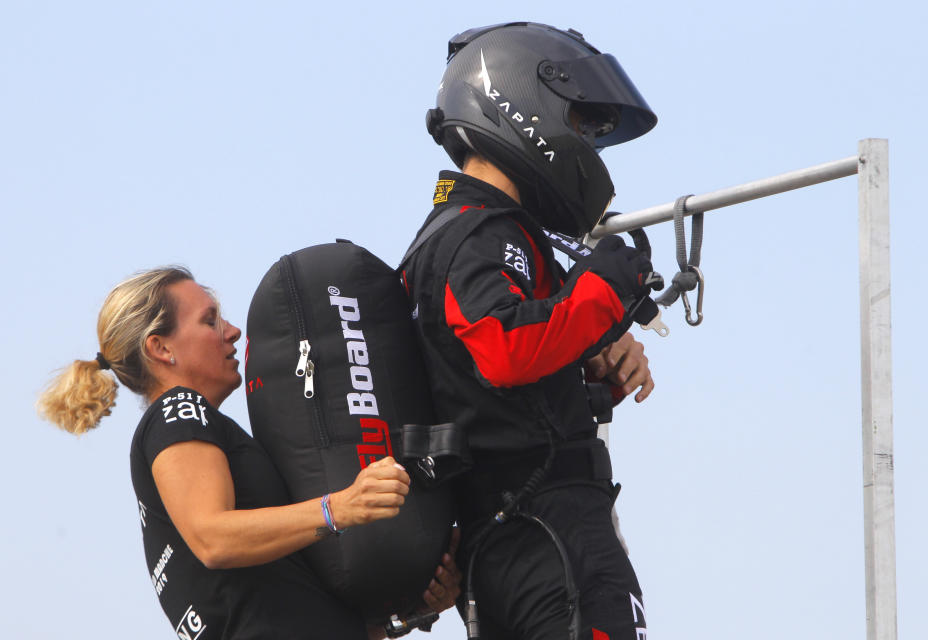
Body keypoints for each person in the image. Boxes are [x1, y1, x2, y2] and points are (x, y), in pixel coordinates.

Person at [402, 22, 660, 639]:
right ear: (525, 104)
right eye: (582, 127)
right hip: (546, 532)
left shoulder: (462, 234)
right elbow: (503, 347)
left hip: (518, 533)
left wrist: (594, 359)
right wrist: (604, 287)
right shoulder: (481, 230)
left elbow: (494, 393)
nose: (589, 151)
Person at [37, 266, 461, 640]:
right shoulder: (177, 411)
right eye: (209, 320)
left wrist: (410, 611)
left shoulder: (196, 429)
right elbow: (213, 538)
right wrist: (340, 508)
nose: (232, 331)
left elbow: (282, 603)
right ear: (161, 349)